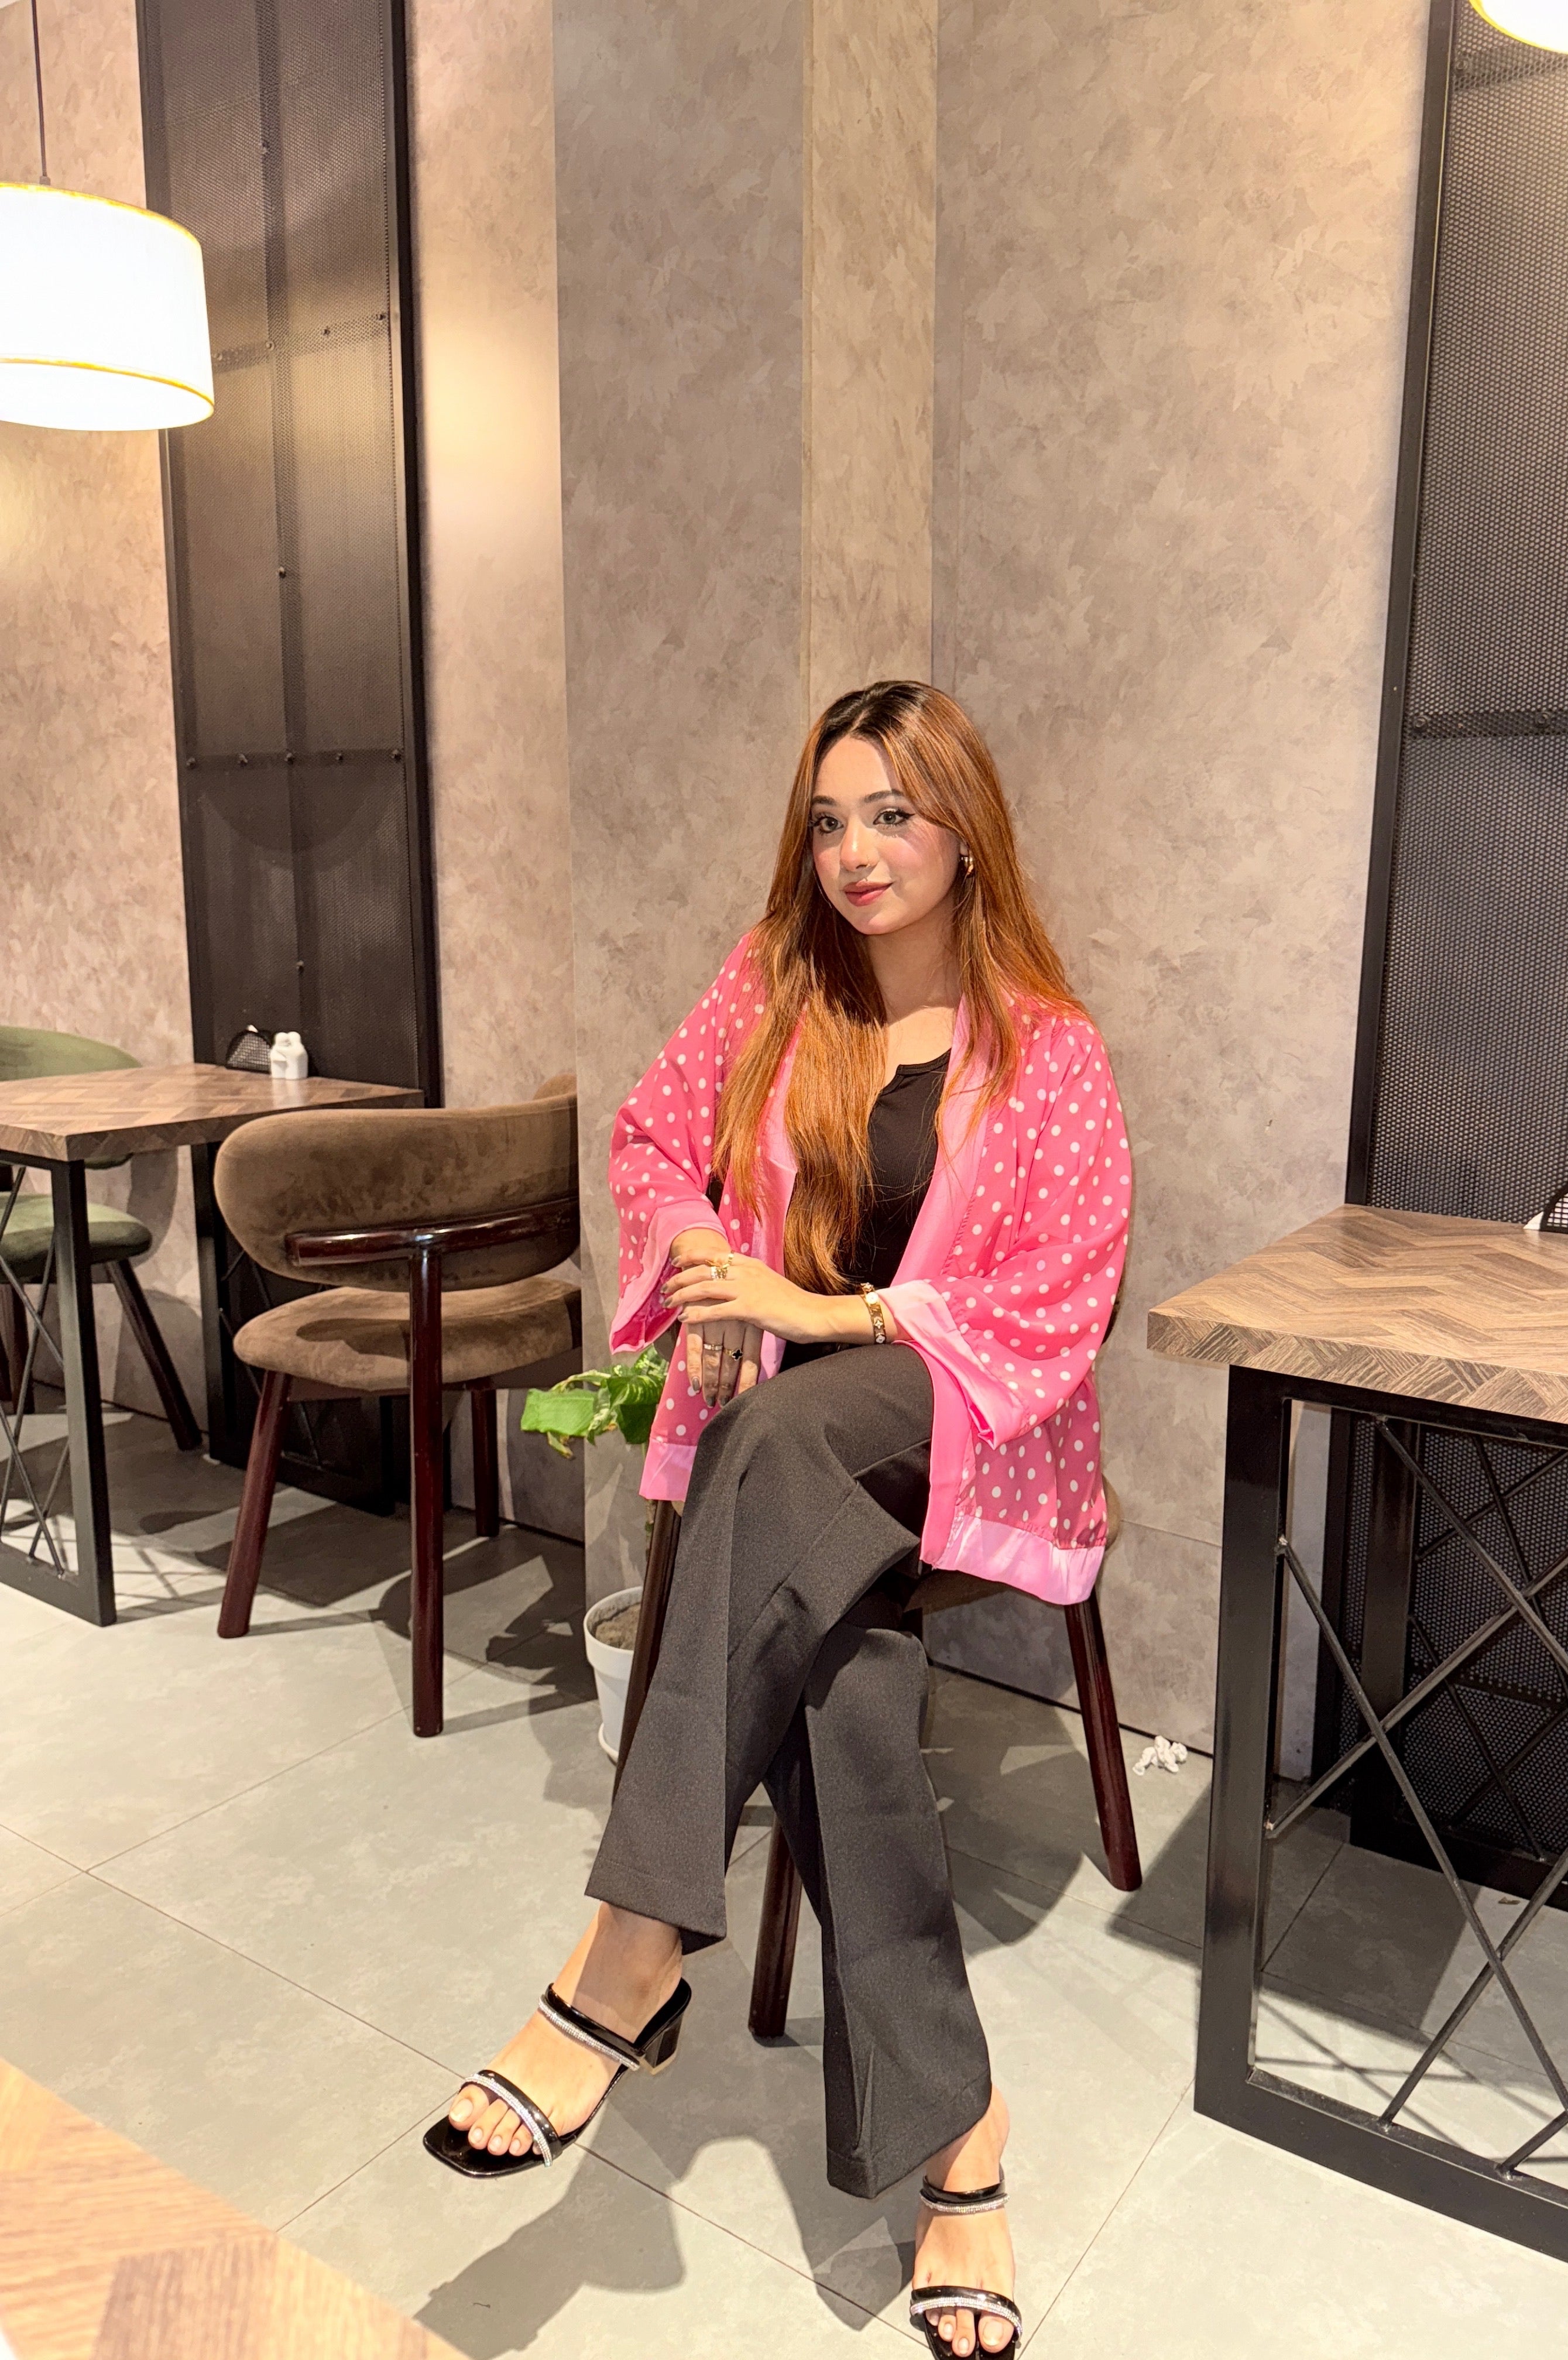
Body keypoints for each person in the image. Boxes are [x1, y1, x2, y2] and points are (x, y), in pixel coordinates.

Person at [425, 681, 1132, 2359]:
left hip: (955, 1418)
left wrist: (826, 1314)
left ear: (966, 828)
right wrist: (704, 1259)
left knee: (785, 1440)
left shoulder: (1048, 1050)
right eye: (828, 821)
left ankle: (631, 1949)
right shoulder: (771, 988)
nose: (855, 853)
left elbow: (1059, 1297)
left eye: (892, 814)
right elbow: (651, 1143)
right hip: (792, 1450)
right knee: (831, 1629)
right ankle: (959, 2138)